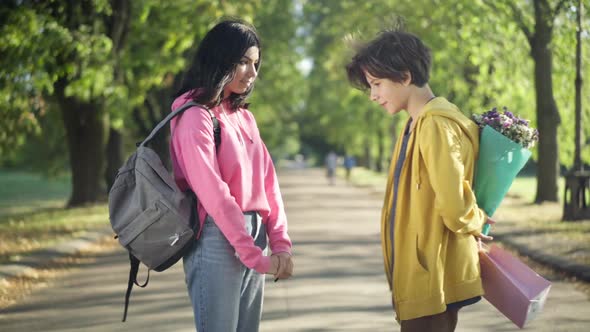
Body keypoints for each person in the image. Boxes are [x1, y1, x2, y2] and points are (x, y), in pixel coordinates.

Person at [346, 27, 494, 332]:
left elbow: (454, 204)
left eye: (377, 84)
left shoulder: (434, 125)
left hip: (432, 273)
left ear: (405, 76)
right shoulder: (415, 124)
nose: (373, 95)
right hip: (421, 270)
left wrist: (475, 220)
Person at [169, 19, 293, 332]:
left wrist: (280, 245)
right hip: (215, 236)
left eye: (256, 63)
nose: (252, 73)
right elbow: (214, 194)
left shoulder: (245, 118)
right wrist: (249, 252)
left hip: (255, 234)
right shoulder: (193, 114)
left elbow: (269, 186)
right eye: (243, 62)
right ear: (221, 59)